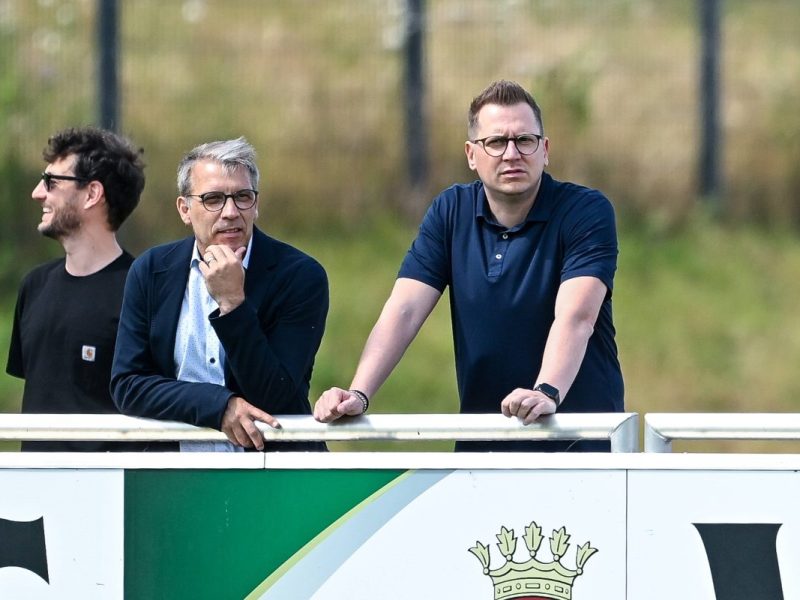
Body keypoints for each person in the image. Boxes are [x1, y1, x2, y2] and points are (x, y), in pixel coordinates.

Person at [314, 80, 623, 452]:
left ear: (545, 150)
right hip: (484, 442)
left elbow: (577, 316)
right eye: (496, 142)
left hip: (578, 442)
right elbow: (405, 309)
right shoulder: (450, 211)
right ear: (471, 154)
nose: (512, 154)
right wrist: (359, 393)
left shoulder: (586, 211)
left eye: (524, 140)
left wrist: (546, 392)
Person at [111, 137, 328, 452]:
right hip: (176, 469)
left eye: (242, 197)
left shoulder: (300, 276)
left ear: (256, 204)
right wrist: (217, 405)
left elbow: (275, 396)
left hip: (271, 467)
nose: (230, 212)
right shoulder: (151, 270)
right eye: (212, 199)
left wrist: (233, 303)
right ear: (185, 209)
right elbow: (128, 385)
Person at [6, 126, 148, 452]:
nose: (37, 193)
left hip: (109, 482)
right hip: (33, 481)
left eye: (52, 182)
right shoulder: (34, 286)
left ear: (92, 194)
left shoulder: (141, 293)